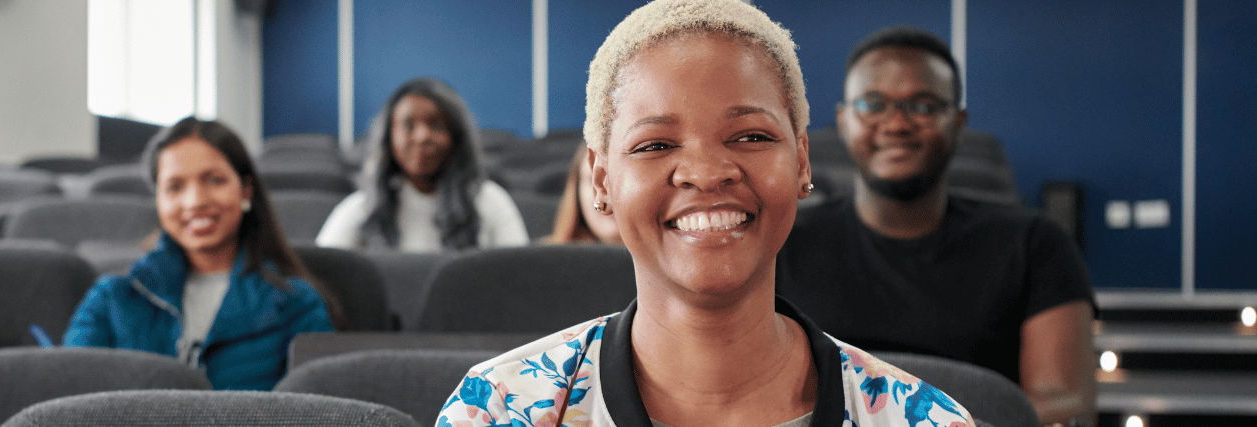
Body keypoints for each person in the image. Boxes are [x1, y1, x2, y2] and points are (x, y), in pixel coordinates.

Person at [438, 1, 975, 426]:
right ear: (601, 180)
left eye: (751, 136)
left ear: (801, 162)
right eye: (654, 145)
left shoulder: (924, 419)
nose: (706, 171)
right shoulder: (501, 410)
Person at [777, 26, 1096, 426]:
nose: (896, 124)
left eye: (924, 106)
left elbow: (1069, 402)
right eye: (873, 104)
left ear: (958, 122)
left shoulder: (1034, 244)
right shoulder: (783, 241)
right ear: (843, 120)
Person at [63, 118, 336, 391]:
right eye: (175, 187)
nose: (195, 201)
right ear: (158, 200)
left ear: (246, 190)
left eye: (215, 181)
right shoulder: (111, 298)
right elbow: (71, 403)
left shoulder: (298, 305)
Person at [315, 77, 528, 252]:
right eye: (408, 126)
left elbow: (519, 277)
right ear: (389, 139)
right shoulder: (362, 208)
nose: (422, 137)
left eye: (436, 125)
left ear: (456, 137)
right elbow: (320, 275)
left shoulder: (491, 202)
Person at [545, 147, 622, 245]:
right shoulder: (540, 258)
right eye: (594, 181)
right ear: (577, 191)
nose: (607, 195)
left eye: (618, 180)